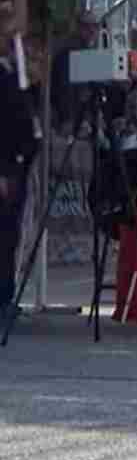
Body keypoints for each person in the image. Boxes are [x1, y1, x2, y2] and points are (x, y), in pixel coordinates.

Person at [0, 41, 38, 318]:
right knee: (4, 237)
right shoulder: (5, 79)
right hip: (8, 168)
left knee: (10, 237)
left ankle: (5, 297)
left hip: (19, 166)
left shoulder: (22, 83)